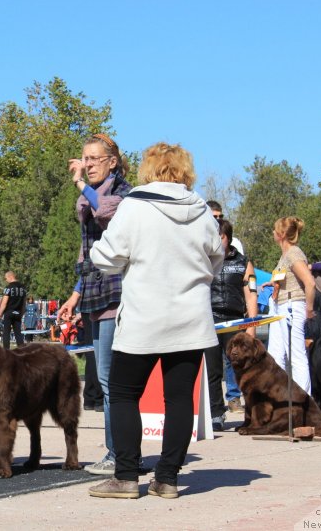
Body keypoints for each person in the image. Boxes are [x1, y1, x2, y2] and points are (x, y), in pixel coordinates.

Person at [88, 142, 224, 499]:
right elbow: (217, 258)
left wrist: (98, 250)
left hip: (144, 319)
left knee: (122, 394)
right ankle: (167, 479)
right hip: (191, 320)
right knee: (179, 399)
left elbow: (107, 256)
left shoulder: (134, 206)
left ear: (148, 170)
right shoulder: (201, 211)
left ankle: (126, 477)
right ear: (184, 171)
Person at [57, 132, 132, 476]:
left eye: (93, 159)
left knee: (110, 378)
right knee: (104, 380)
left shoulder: (123, 194)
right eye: (83, 159)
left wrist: (79, 185)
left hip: (117, 295)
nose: (86, 166)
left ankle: (119, 455)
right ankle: (118, 451)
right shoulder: (90, 198)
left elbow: (106, 214)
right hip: (94, 294)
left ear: (112, 162)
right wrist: (75, 294)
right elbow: (86, 253)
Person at [204, 219, 258, 431]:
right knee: (212, 370)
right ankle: (216, 414)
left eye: (221, 236)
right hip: (210, 321)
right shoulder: (204, 261)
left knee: (243, 370)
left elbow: (251, 295)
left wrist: (252, 325)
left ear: (228, 237)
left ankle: (252, 413)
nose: (217, 241)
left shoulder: (244, 262)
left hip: (236, 321)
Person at [264, 216, 316, 393]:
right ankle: (281, 400)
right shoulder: (285, 255)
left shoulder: (294, 253)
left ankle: (304, 403)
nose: (272, 232)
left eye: (275, 229)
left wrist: (309, 308)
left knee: (296, 355)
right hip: (281, 306)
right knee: (276, 355)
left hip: (293, 306)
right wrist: (272, 283)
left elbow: (310, 282)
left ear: (282, 234)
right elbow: (287, 279)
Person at [0, 271, 26, 349]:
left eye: (6, 278)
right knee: (18, 334)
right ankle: (22, 351)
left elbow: (4, 303)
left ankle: (6, 351)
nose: (6, 280)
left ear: (10, 277)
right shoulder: (23, 288)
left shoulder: (8, 288)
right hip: (18, 313)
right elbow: (24, 303)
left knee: (6, 333)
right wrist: (21, 314)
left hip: (9, 312)